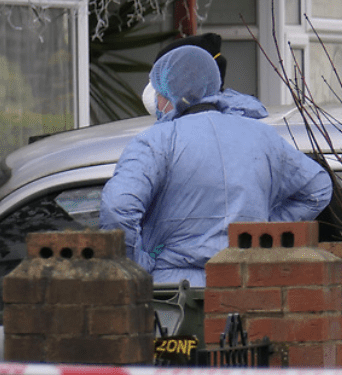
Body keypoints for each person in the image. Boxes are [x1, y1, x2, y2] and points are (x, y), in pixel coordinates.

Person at [100, 45, 332, 286]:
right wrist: (262, 232)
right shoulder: (262, 137)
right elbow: (318, 187)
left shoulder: (156, 141)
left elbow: (117, 208)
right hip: (247, 286)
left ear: (168, 93)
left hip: (174, 293)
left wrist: (137, 266)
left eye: (158, 93)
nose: (157, 103)